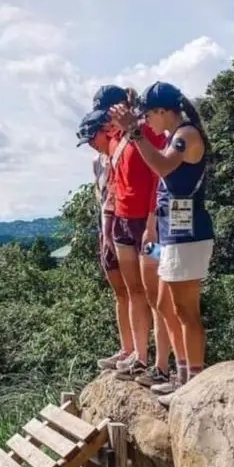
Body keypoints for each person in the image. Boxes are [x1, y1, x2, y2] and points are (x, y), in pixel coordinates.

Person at [110, 81, 214, 400]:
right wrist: (152, 228)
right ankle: (181, 376)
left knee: (185, 310)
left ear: (162, 111)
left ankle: (191, 382)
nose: (147, 122)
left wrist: (134, 132)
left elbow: (161, 165)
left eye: (149, 116)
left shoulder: (187, 136)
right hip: (170, 233)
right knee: (167, 305)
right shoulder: (174, 136)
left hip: (188, 233)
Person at [100, 90, 173, 386]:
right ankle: (139, 358)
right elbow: (115, 185)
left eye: (110, 112)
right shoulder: (115, 141)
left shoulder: (146, 132)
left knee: (157, 294)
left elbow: (161, 176)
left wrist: (153, 222)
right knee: (134, 292)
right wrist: (111, 225)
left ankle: (162, 365)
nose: (108, 120)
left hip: (149, 224)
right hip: (123, 223)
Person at [76, 109, 135, 368]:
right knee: (120, 293)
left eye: (92, 137)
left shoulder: (119, 154)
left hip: (125, 228)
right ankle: (126, 348)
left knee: (138, 291)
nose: (91, 143)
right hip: (106, 231)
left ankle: (141, 353)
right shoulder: (97, 162)